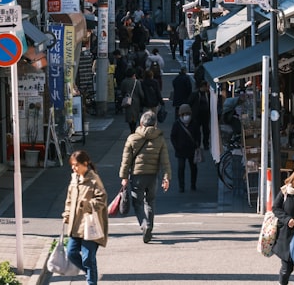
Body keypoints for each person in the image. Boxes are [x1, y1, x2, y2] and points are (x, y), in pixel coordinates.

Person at [119, 110, 172, 243]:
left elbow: (126, 160)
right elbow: (165, 160)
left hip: (137, 176)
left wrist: (124, 177)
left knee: (137, 203)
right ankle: (150, 227)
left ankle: (144, 224)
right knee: (150, 201)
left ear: (141, 123)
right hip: (153, 176)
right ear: (155, 124)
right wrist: (166, 177)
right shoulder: (160, 139)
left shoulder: (132, 138)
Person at [61, 150, 108, 285]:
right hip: (75, 225)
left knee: (88, 258)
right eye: (72, 165)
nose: (73, 168)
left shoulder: (94, 179)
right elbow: (69, 199)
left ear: (85, 164)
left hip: (90, 225)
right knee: (71, 253)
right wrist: (67, 213)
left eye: (76, 165)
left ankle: (91, 281)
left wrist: (87, 205)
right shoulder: (74, 179)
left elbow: (102, 199)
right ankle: (91, 273)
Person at [169, 104, 200, 192]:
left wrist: (197, 145)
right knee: (181, 168)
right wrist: (176, 147)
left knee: (193, 167)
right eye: (184, 114)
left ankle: (193, 184)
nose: (186, 116)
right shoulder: (177, 124)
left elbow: (198, 134)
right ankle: (181, 186)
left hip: (191, 149)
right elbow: (173, 136)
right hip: (181, 150)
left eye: (187, 114)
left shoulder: (194, 123)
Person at [188, 79, 212, 149]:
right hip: (197, 115)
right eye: (206, 87)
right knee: (197, 131)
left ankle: (206, 144)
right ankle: (197, 143)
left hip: (206, 114)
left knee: (206, 130)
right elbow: (189, 102)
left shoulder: (208, 94)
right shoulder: (195, 94)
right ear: (203, 86)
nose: (207, 88)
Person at [120, 68, 145, 133]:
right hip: (136, 101)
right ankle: (134, 129)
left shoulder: (124, 82)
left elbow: (122, 91)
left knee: (129, 116)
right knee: (135, 116)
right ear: (134, 74)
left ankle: (132, 130)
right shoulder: (137, 82)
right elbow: (140, 93)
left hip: (127, 101)